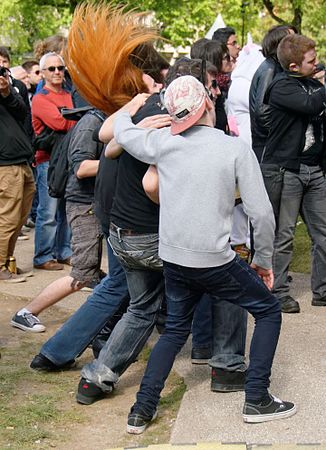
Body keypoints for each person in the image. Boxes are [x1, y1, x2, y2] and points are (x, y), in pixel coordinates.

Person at [111, 74, 296, 432]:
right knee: (270, 310)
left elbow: (123, 133)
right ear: (209, 104)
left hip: (175, 258)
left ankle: (141, 409)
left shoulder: (163, 142)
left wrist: (131, 108)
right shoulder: (234, 148)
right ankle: (257, 398)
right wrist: (263, 261)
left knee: (174, 330)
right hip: (214, 259)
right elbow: (261, 214)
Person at [11, 108, 106, 333]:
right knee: (83, 274)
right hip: (84, 204)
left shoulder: (104, 119)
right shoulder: (91, 122)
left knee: (97, 274)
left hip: (95, 204)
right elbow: (81, 168)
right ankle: (26, 313)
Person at [262, 34, 326, 313]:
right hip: (288, 170)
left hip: (315, 169)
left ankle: (321, 290)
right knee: (284, 235)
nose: (317, 63)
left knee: (323, 234)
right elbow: (310, 105)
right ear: (293, 66)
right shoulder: (280, 87)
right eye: (311, 61)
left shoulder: (312, 84)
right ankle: (277, 292)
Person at [32, 52, 74, 271]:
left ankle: (63, 251)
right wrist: (77, 117)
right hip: (48, 161)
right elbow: (60, 123)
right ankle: (42, 256)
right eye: (52, 69)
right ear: (43, 73)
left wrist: (73, 117)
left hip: (67, 160)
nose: (57, 72)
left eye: (60, 68)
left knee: (66, 210)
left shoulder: (68, 94)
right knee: (48, 211)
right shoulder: (40, 99)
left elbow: (68, 120)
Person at [0, 50, 35, 283]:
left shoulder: (12, 88)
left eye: (4, 64)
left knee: (20, 219)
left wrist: (6, 92)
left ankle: (8, 263)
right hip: (5, 165)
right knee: (7, 219)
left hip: (22, 161)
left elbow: (22, 112)